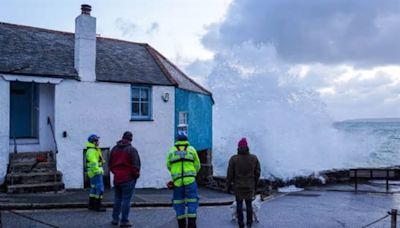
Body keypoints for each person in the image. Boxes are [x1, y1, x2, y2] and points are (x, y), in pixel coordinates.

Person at [166, 131, 201, 228]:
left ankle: (181, 225)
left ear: (177, 140)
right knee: (192, 202)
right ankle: (191, 225)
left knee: (178, 203)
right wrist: (193, 174)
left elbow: (168, 165)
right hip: (190, 181)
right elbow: (197, 165)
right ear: (186, 139)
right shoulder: (191, 150)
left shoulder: (172, 151)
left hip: (177, 182)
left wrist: (175, 174)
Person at [109, 131, 141, 227]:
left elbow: (110, 164)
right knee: (126, 200)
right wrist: (136, 175)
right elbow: (136, 165)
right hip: (128, 178)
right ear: (131, 139)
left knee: (117, 199)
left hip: (117, 177)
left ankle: (115, 219)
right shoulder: (132, 150)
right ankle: (124, 220)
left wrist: (115, 172)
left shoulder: (114, 149)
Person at [226, 138, 261, 228]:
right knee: (249, 205)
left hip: (238, 186)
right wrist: (255, 184)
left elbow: (230, 174)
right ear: (247, 147)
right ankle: (249, 224)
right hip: (249, 186)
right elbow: (257, 173)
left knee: (239, 205)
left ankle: (241, 224)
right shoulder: (254, 158)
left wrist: (228, 186)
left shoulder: (234, 159)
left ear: (238, 148)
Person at [86, 134, 106, 212]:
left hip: (92, 173)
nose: (98, 142)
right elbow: (93, 163)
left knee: (93, 189)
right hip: (96, 173)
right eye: (97, 140)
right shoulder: (92, 150)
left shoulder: (92, 149)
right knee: (100, 189)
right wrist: (98, 171)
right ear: (93, 142)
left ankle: (91, 205)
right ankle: (98, 206)